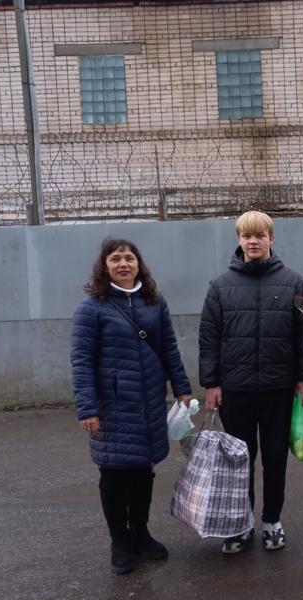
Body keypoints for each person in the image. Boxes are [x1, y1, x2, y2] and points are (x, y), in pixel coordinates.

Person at [71, 238, 192, 575]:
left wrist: (181, 388)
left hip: (150, 399)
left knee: (142, 470)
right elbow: (81, 361)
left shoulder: (154, 302)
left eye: (129, 258)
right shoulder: (92, 307)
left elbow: (169, 347)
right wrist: (87, 407)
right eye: (115, 259)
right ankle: (120, 540)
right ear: (104, 266)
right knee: (113, 472)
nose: (123, 263)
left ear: (139, 264)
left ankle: (140, 532)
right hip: (112, 404)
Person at [199, 210, 303, 554]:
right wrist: (211, 383)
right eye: (246, 236)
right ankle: (240, 524)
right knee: (240, 460)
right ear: (239, 241)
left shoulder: (294, 283)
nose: (252, 241)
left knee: (276, 457)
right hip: (235, 390)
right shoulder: (220, 287)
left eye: (259, 235)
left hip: (279, 389)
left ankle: (271, 521)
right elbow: (209, 338)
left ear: (271, 239)